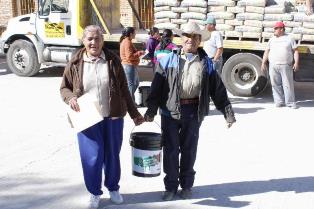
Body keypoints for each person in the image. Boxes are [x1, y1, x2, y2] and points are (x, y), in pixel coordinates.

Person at [144, 21, 236, 201]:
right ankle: (170, 187)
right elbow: (157, 87)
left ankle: (186, 186)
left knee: (189, 149)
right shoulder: (168, 59)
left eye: (195, 37)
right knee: (170, 150)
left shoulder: (206, 63)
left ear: (199, 40)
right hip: (170, 112)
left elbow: (218, 90)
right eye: (187, 36)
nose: (190, 40)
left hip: (193, 111)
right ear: (181, 38)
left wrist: (228, 113)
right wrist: (151, 110)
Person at [60, 25, 144, 208]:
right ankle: (94, 192)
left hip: (112, 117)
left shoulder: (112, 60)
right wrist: (70, 97)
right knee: (92, 156)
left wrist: (135, 114)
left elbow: (124, 90)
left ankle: (113, 187)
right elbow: (64, 88)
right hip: (87, 118)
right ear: (83, 41)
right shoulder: (75, 62)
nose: (93, 43)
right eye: (89, 39)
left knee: (112, 154)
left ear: (102, 41)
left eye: (97, 39)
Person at [261, 21, 299, 109]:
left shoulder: (289, 38)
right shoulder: (272, 39)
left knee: (288, 84)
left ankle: (290, 103)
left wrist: (296, 63)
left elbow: (296, 51)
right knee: (275, 84)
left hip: (286, 65)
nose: (274, 30)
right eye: (274, 28)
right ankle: (279, 101)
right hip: (273, 65)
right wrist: (263, 63)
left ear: (281, 29)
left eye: (275, 29)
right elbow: (267, 51)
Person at [120, 27, 145, 101]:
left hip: (130, 66)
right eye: (134, 33)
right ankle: (130, 103)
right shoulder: (127, 42)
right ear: (131, 34)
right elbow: (129, 56)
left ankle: (128, 100)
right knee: (131, 85)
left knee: (136, 83)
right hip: (129, 66)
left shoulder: (127, 41)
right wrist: (139, 53)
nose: (135, 34)